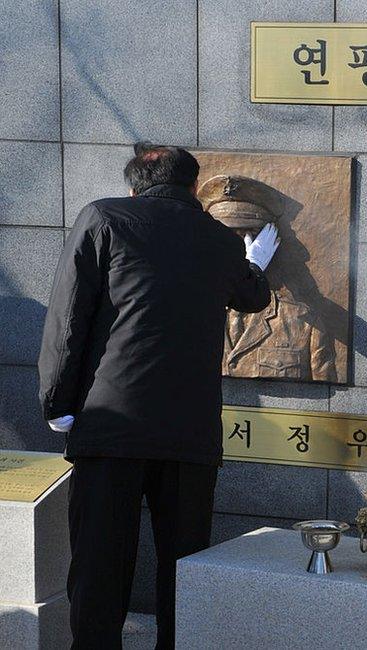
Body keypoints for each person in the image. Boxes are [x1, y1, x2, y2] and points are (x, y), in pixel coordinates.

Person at [37, 143, 280, 649]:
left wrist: (57, 403)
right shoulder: (218, 239)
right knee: (184, 566)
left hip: (110, 425)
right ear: (194, 187)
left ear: (134, 187)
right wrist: (253, 262)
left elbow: (68, 318)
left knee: (100, 566)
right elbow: (253, 297)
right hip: (188, 435)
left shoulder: (103, 217)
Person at [196, 174, 337, 382]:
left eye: (246, 234)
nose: (235, 246)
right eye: (225, 234)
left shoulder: (305, 323)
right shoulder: (188, 312)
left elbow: (326, 389)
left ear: (269, 241)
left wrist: (251, 271)